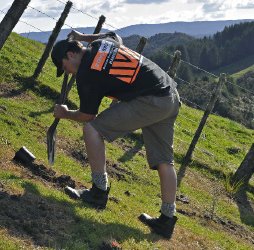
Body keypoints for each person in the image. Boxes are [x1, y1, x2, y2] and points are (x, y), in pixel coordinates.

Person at [51, 30, 180, 239]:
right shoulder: (101, 44)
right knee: (165, 161)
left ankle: (98, 192)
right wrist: (84, 37)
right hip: (170, 95)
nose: (67, 73)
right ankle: (166, 220)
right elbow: (115, 36)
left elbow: (87, 115)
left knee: (92, 129)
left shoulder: (87, 73)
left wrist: (65, 113)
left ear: (71, 55)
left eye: (64, 67)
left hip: (150, 100)